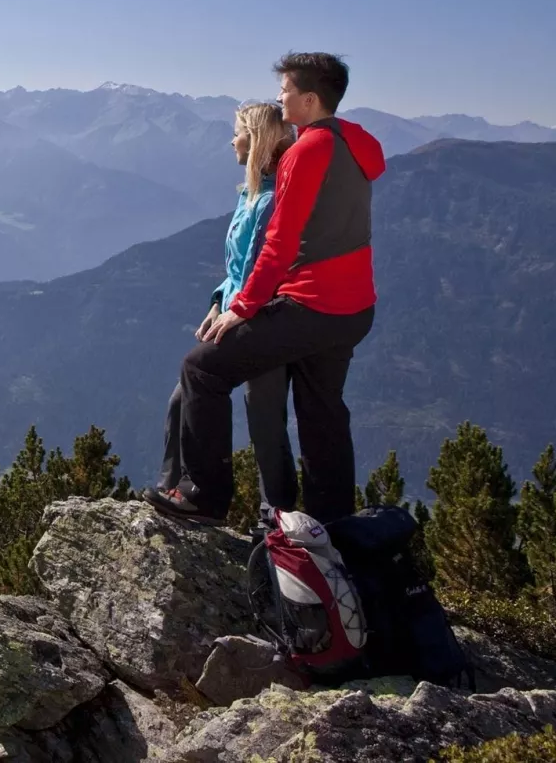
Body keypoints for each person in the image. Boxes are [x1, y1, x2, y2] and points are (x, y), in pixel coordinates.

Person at [147, 52, 385, 527]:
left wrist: (242, 307)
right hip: (355, 307)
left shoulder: (306, 151)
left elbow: (280, 240)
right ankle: (330, 526)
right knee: (322, 413)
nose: (280, 97)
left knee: (202, 370)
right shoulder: (358, 143)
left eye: (287, 90)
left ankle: (204, 496)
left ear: (310, 98)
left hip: (310, 302)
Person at [158, 101, 296, 517]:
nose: (231, 140)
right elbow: (238, 270)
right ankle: (173, 490)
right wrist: (219, 299)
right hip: (238, 310)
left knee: (265, 416)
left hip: (263, 318)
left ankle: (276, 515)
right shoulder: (253, 193)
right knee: (184, 399)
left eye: (236, 132)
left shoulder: (270, 200)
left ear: (254, 141)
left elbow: (261, 270)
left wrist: (231, 310)